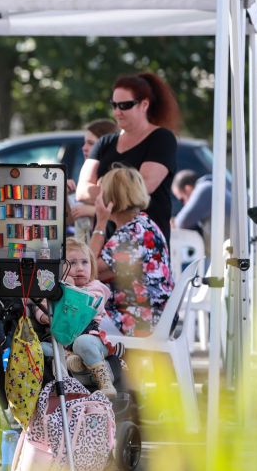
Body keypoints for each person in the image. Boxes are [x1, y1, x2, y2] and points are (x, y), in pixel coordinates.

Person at [76, 73, 181, 249]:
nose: (117, 111)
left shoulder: (162, 139)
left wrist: (102, 189)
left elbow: (142, 189)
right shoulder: (105, 142)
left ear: (144, 105)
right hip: (105, 243)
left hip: (144, 248)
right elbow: (82, 191)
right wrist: (121, 191)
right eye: (114, 105)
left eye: (125, 105)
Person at [89, 164, 174, 337]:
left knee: (72, 320)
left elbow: (89, 271)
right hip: (154, 316)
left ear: (110, 198)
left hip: (140, 320)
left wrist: (100, 222)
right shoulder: (143, 224)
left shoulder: (130, 234)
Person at [35, 238, 116, 397]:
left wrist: (69, 288)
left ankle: (105, 380)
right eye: (72, 263)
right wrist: (46, 315)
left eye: (85, 262)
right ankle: (71, 359)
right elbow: (41, 311)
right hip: (62, 344)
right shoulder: (53, 290)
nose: (80, 268)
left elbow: (83, 310)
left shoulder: (96, 288)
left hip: (91, 338)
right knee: (39, 348)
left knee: (82, 342)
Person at [68, 119, 118, 242]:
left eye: (91, 143)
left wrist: (92, 211)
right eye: (85, 142)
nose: (84, 148)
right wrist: (66, 196)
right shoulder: (87, 176)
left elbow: (130, 214)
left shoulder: (118, 176)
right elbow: (72, 220)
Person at [172, 169, 231, 244]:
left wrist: (173, 223)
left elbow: (181, 223)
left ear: (188, 189)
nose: (183, 204)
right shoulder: (210, 187)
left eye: (182, 199)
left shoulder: (205, 189)